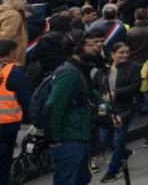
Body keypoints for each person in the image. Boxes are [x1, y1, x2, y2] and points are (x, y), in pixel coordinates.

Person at [47, 29, 111, 185]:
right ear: (76, 49)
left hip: (81, 136)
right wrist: (55, 139)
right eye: (89, 45)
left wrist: (108, 109)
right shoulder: (69, 73)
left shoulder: (81, 70)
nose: (95, 47)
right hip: (69, 139)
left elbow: (92, 95)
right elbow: (54, 107)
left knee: (82, 179)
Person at [94, 42, 141, 183]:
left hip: (123, 108)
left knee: (118, 140)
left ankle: (113, 170)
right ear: (113, 54)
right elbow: (96, 86)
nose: (125, 55)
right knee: (104, 138)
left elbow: (136, 86)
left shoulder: (134, 67)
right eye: (121, 52)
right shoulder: (104, 68)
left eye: (127, 52)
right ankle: (124, 153)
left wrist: (116, 93)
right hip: (104, 107)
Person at [0, 39, 31, 185]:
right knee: (3, 161)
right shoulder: (15, 72)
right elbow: (26, 99)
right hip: (8, 123)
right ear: (11, 52)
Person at [0, 0, 29, 65]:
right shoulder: (13, 15)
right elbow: (3, 39)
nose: (25, 2)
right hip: (9, 59)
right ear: (13, 0)